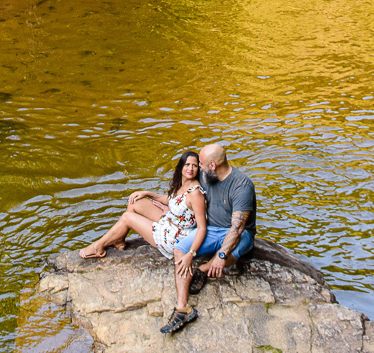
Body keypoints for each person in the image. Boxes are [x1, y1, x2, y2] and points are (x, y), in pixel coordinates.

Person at [78, 152, 208, 333]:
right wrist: (147, 193)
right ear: (181, 166)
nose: (190, 169)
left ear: (198, 169)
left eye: (194, 166)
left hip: (174, 236)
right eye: (187, 165)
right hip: (170, 221)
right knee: (136, 201)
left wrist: (191, 253)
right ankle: (119, 241)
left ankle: (98, 247)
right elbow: (170, 201)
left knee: (127, 217)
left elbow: (202, 228)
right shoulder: (182, 184)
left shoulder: (195, 193)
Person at [164, 143, 256, 333]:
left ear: (213, 165)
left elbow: (237, 227)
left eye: (202, 164)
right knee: (179, 249)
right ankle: (183, 308)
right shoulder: (207, 176)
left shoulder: (241, 185)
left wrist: (220, 256)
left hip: (238, 231)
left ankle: (204, 269)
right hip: (211, 230)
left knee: (235, 251)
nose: (199, 168)